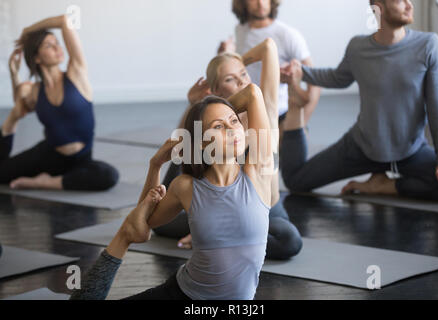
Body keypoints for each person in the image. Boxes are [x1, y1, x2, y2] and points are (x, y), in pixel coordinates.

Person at [71, 84, 274, 300]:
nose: (232, 129)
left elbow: (253, 92)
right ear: (202, 143)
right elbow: (140, 224)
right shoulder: (186, 186)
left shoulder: (258, 171)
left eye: (234, 121)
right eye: (219, 127)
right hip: (180, 294)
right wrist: (155, 164)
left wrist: (212, 113)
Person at [280, 0, 438, 201]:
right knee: (296, 180)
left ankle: (386, 185)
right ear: (378, 6)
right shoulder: (358, 48)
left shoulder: (429, 45)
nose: (409, 5)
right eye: (399, 0)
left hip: (410, 151)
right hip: (361, 148)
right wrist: (301, 73)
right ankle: (294, 108)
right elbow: (337, 78)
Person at [154, 39, 303, 260]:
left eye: (243, 73)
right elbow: (180, 155)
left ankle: (214, 238)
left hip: (264, 211)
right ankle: (216, 235)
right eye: (230, 79)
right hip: (217, 213)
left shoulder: (265, 109)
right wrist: (194, 105)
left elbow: (268, 46)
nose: (241, 82)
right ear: (215, 89)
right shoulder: (213, 126)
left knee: (289, 239)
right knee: (161, 222)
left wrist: (231, 60)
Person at [0, 15, 118, 191]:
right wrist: (14, 73)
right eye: (49, 45)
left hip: (82, 159)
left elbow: (64, 20)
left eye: (57, 42)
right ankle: (62, 180)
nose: (58, 47)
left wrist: (28, 30)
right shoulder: (33, 91)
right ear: (37, 58)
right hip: (49, 156)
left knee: (109, 175)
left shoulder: (76, 74)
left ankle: (45, 183)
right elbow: (20, 109)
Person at [219, 0, 321, 130]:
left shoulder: (288, 35)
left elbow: (315, 84)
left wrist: (300, 124)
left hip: (279, 116)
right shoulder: (240, 30)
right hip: (247, 115)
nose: (261, 3)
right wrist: (225, 55)